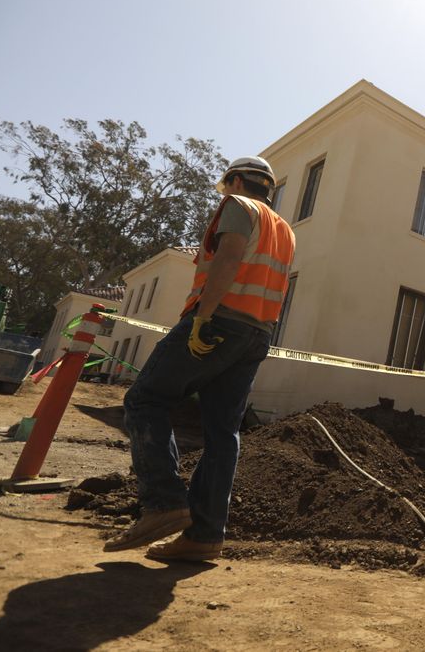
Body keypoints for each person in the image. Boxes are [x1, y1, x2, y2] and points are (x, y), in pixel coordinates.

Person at [104, 156, 296, 561]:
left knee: (145, 400)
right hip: (256, 335)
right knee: (223, 433)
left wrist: (202, 318)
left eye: (227, 185)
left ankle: (163, 503)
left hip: (218, 322)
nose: (224, 192)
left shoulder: (239, 206)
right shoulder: (285, 230)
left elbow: (228, 258)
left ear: (238, 180)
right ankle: (204, 536)